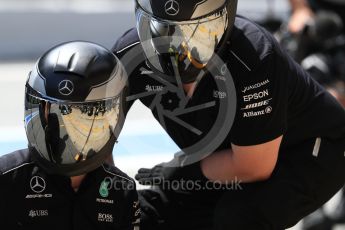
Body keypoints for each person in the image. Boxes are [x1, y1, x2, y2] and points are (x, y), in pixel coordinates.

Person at [112, 0, 345, 229]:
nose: (182, 47)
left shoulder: (253, 57)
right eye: (166, 28)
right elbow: (96, 142)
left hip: (310, 149)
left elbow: (253, 167)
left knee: (238, 215)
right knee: (140, 213)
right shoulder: (129, 54)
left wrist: (184, 170)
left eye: (200, 30)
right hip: (227, 156)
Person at [0, 41, 140, 230]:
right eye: (50, 112)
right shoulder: (7, 179)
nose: (62, 126)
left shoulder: (122, 191)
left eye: (79, 114)